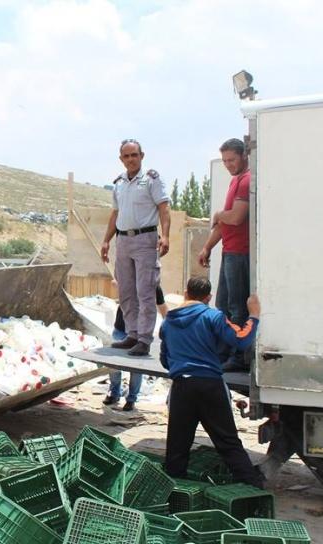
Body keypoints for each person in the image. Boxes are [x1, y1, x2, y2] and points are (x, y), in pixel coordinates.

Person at [160, 276, 264, 488]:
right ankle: (253, 491)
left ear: (186, 293)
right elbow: (242, 340)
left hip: (182, 387)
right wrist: (254, 315)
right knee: (228, 442)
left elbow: (164, 358)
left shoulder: (168, 321)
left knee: (177, 447)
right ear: (208, 298)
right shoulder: (213, 317)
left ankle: (173, 498)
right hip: (209, 386)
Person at [101, 139, 171, 357]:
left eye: (134, 155)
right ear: (121, 159)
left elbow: (164, 207)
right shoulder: (119, 183)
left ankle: (144, 339)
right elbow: (115, 213)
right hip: (123, 241)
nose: (131, 159)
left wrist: (166, 236)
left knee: (146, 291)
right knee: (126, 291)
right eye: (126, 156)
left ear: (142, 156)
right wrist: (106, 240)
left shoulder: (151, 179)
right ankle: (132, 333)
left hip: (145, 239)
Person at [198, 138, 251, 371]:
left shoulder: (246, 180)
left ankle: (238, 357)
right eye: (225, 161)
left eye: (232, 160)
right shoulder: (235, 181)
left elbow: (235, 217)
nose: (228, 165)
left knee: (237, 307)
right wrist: (207, 247)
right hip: (230, 251)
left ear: (244, 156)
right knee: (223, 305)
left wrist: (220, 213)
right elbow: (223, 223)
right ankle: (222, 353)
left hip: (240, 253)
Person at [105, 283, 168, 411]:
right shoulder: (128, 278)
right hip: (120, 329)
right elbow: (115, 281)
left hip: (140, 335)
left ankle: (131, 399)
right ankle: (114, 393)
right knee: (113, 365)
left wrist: (170, 327)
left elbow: (162, 307)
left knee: (136, 369)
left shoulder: (153, 286)